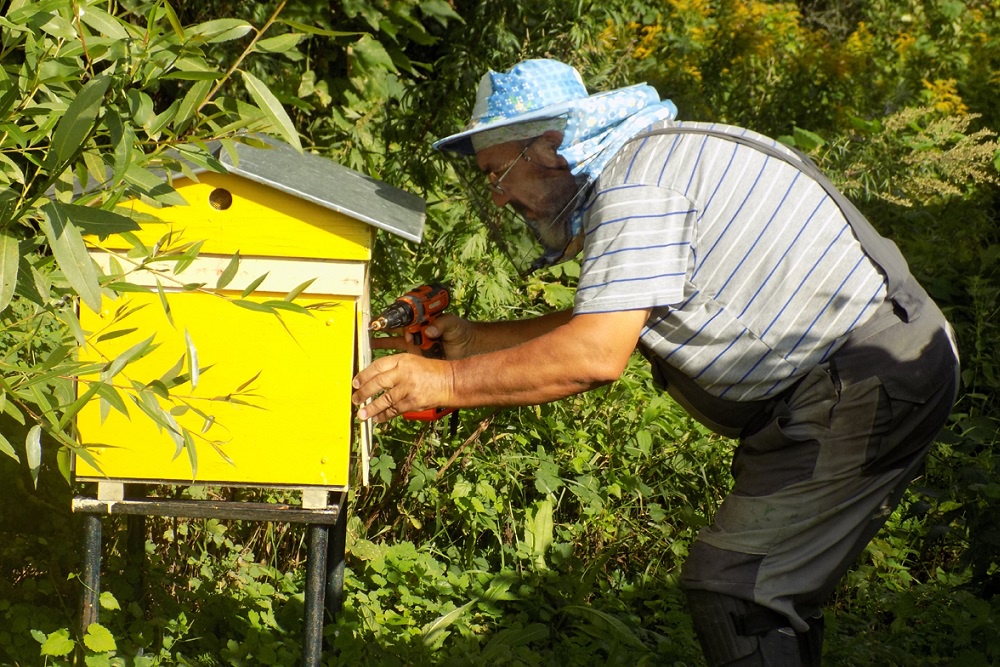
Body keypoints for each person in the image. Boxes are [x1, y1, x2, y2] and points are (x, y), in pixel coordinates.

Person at [351, 58, 960, 666]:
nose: (499, 194)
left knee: (739, 587)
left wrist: (444, 380)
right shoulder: (643, 163)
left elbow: (594, 354)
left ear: (548, 146)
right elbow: (610, 316)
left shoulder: (636, 191)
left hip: (867, 377)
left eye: (498, 172)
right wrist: (475, 342)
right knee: (765, 590)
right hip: (848, 375)